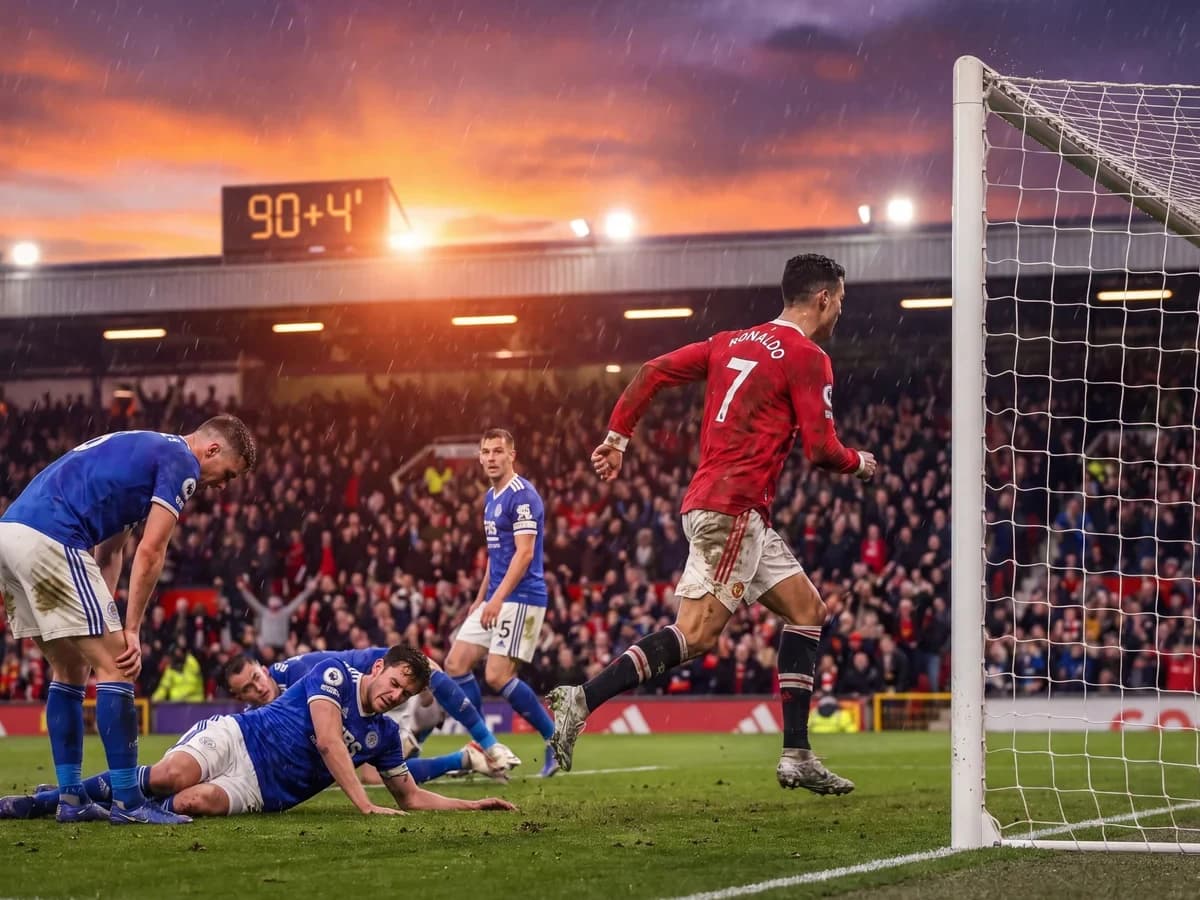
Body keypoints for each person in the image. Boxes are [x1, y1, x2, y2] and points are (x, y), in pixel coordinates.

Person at [548, 253, 877, 795]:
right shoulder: (808, 356)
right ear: (823, 299)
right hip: (735, 510)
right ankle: (582, 699)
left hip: (726, 507)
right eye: (840, 300)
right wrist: (859, 463)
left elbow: (652, 371)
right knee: (696, 635)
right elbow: (821, 450)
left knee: (807, 610)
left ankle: (797, 753)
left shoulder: (731, 341)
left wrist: (617, 436)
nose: (841, 309)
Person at [0, 416, 256, 824]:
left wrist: (110, 616)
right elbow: (151, 551)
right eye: (226, 474)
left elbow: (110, 554)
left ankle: (70, 799)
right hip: (53, 536)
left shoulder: (145, 453)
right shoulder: (181, 462)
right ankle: (128, 803)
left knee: (70, 669)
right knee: (118, 666)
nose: (222, 486)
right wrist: (130, 630)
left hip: (12, 534)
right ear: (211, 450)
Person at [2, 646, 515, 819]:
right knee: (168, 775)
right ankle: (48, 801)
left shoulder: (381, 734)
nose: (395, 695)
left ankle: (98, 807)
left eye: (404, 694)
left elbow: (409, 796)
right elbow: (329, 741)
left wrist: (474, 805)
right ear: (379, 667)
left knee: (190, 803)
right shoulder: (334, 674)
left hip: (263, 789)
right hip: (241, 738)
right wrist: (362, 804)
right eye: (396, 683)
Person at [444, 429, 559, 777]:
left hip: (522, 598)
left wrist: (496, 599)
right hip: (496, 597)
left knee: (496, 676)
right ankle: (486, 744)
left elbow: (523, 555)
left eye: (498, 451)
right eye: (486, 452)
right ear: (479, 457)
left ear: (512, 454)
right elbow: (496, 558)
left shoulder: (522, 496)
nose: (491, 457)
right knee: (455, 663)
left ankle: (555, 737)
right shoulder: (490, 498)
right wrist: (480, 600)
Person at [223, 648, 521, 780]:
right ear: (239, 698)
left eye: (256, 677)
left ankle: (487, 744)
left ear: (264, 669)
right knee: (377, 775)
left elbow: (401, 660)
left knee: (374, 775)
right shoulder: (259, 717)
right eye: (248, 688)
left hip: (386, 693)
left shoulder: (300, 673)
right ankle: (466, 758)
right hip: (373, 706)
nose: (258, 688)